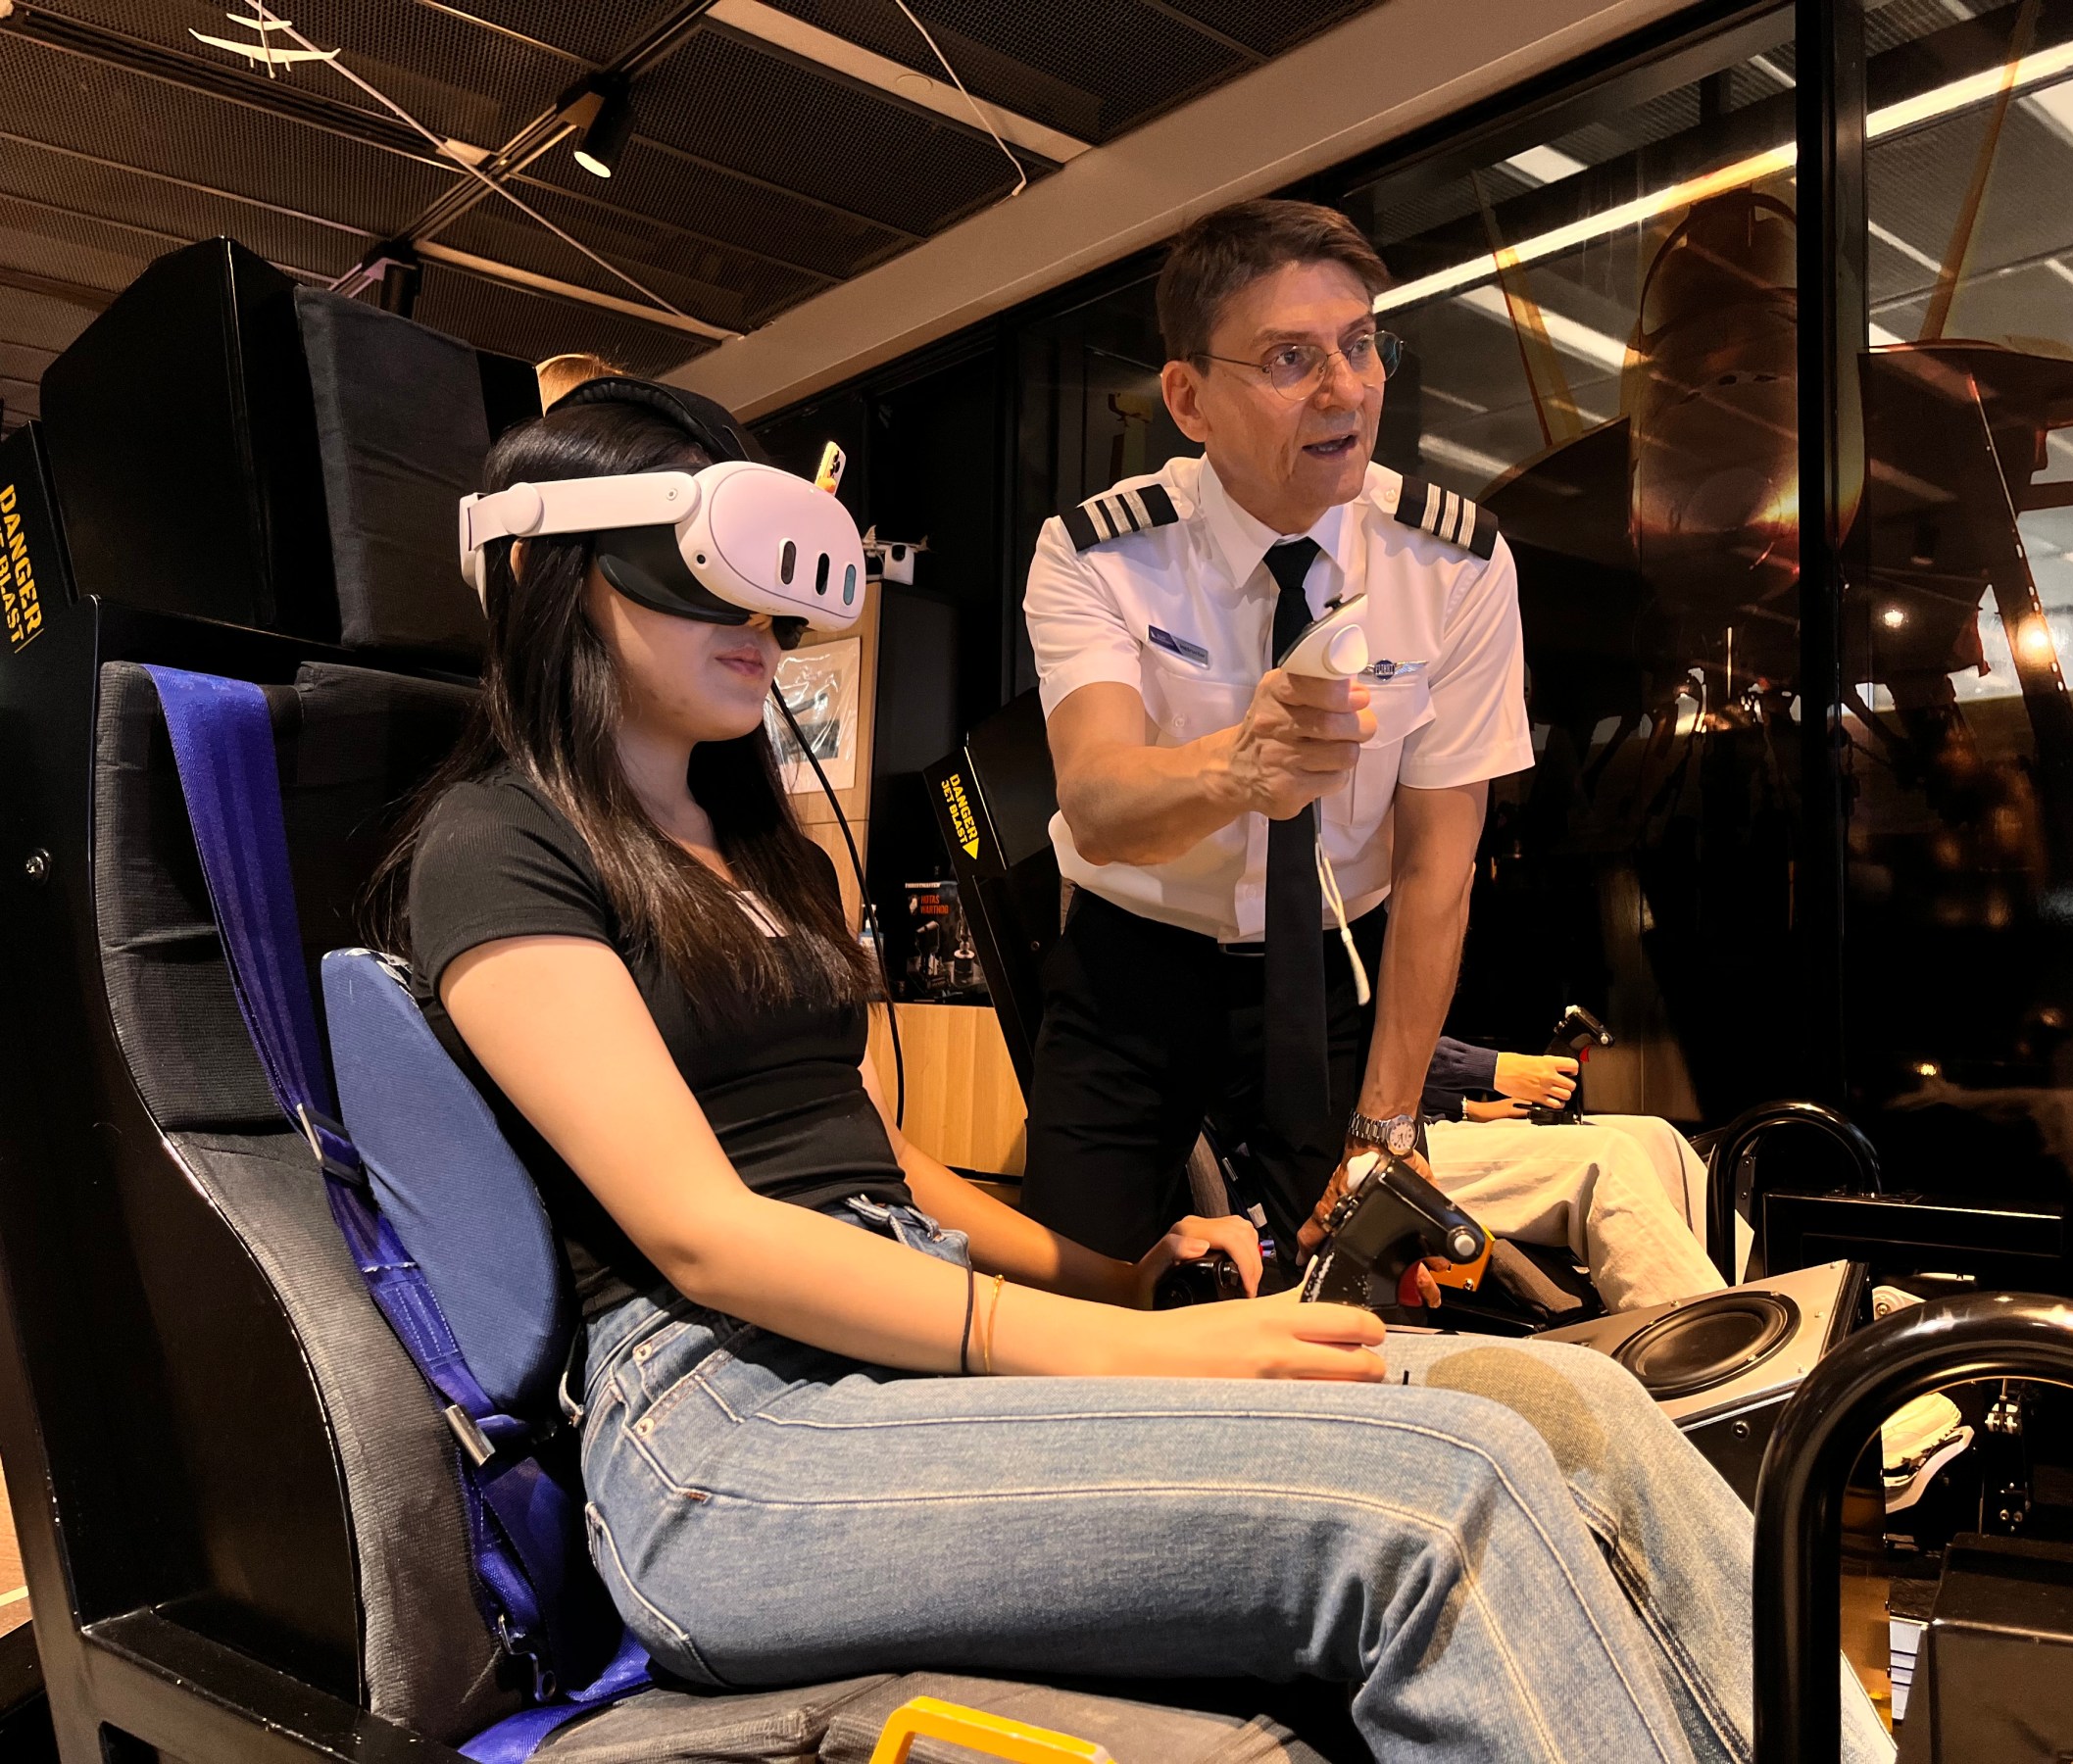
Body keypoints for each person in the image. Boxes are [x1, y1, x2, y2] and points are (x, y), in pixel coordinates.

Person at [376, 384, 1891, 1762]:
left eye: (784, 600)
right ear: (541, 573)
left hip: (883, 1349)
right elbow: (706, 1232)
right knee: (1443, 1494)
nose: (761, 631)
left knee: (1570, 1405)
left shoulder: (765, 844)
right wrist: (1131, 1353)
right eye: (708, 577)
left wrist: (1125, 1281)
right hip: (729, 1440)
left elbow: (883, 1171)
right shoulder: (496, 847)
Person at [1022, 199, 1532, 1262]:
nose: (1346, 388)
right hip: (1132, 972)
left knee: (1353, 1288)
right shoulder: (1099, 554)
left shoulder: (1455, 564)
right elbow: (1100, 805)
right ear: (1189, 397)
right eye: (1291, 358)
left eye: (1360, 345)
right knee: (1082, 1285)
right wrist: (1235, 770)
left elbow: (1441, 863)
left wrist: (1387, 1127)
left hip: (1330, 980)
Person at [1420, 1039, 1728, 1312]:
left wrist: (1467, 1108)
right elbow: (1379, 1050)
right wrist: (1493, 1068)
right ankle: (1693, 1344)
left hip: (1421, 1123)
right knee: (1606, 1157)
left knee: (1655, 1137)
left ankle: (1736, 1302)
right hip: (1390, 1146)